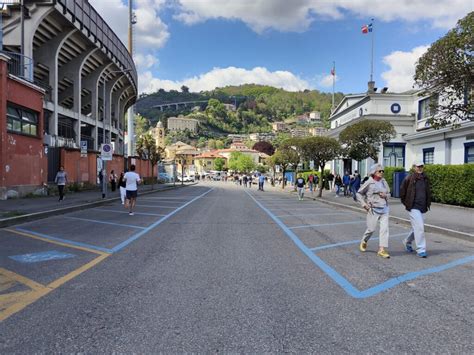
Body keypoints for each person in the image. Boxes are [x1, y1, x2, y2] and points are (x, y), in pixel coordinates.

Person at [356, 164, 391, 259]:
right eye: (379, 171)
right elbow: (358, 194)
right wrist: (364, 205)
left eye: (382, 171)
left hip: (384, 208)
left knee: (384, 229)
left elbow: (389, 193)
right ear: (374, 172)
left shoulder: (384, 182)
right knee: (371, 229)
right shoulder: (369, 182)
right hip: (373, 209)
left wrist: (386, 196)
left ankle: (381, 249)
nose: (382, 173)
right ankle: (364, 240)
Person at [400, 162, 432, 258]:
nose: (420, 168)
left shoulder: (425, 178)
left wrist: (427, 202)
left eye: (421, 166)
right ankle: (421, 250)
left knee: (417, 227)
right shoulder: (409, 178)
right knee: (420, 227)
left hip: (422, 207)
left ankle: (407, 241)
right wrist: (406, 203)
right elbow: (402, 191)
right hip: (413, 206)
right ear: (414, 167)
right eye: (418, 166)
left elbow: (428, 191)